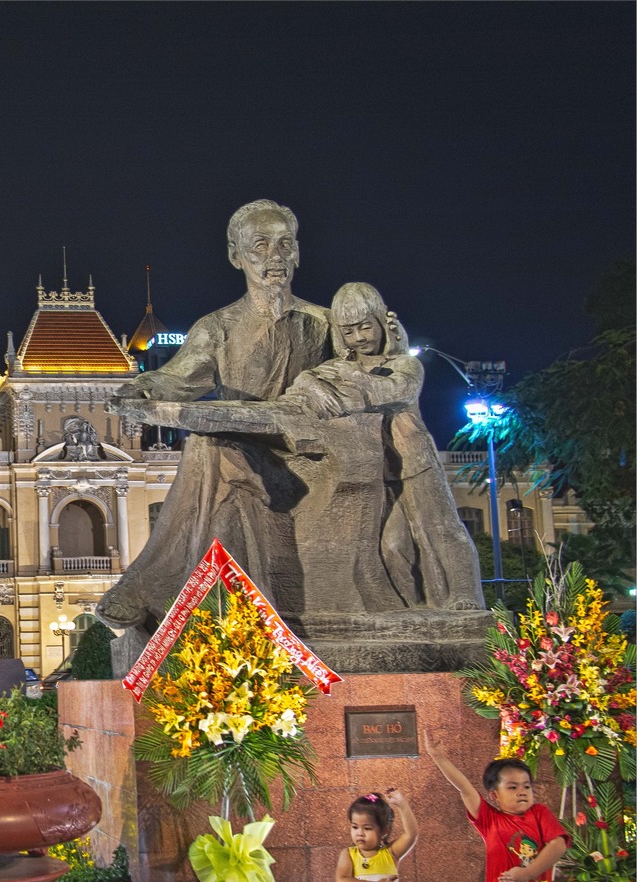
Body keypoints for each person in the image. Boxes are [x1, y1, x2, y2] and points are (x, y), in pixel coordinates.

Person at [101, 199, 331, 624]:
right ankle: (160, 586)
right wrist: (142, 386)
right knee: (211, 448)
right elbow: (177, 378)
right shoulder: (217, 327)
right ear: (236, 255)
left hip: (307, 452)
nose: (275, 256)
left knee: (212, 448)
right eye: (260, 245)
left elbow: (369, 368)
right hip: (245, 446)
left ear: (297, 252)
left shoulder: (326, 323)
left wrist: (391, 343)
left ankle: (147, 587)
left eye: (284, 244)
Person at [284, 283, 483, 610]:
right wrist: (313, 385)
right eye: (348, 331)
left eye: (365, 327)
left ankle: (465, 594)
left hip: (415, 463)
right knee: (391, 545)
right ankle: (410, 609)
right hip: (376, 470)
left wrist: (351, 379)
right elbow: (300, 384)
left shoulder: (404, 364)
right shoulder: (337, 368)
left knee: (440, 528)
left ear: (381, 321)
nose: (359, 337)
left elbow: (396, 391)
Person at [423, 730, 569, 882]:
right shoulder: (490, 820)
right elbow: (464, 788)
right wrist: (439, 757)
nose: (522, 792)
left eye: (526, 786)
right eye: (512, 787)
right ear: (494, 795)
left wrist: (528, 873)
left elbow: (558, 844)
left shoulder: (540, 813)